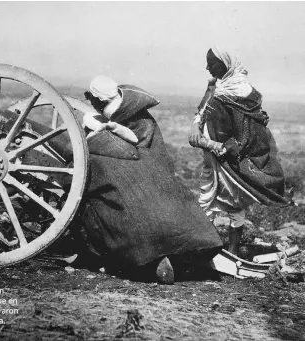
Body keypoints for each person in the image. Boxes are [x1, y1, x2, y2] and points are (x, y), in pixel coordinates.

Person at [66, 75, 223, 284]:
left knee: (104, 185)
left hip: (139, 158)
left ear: (99, 100)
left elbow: (133, 143)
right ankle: (178, 252)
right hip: (145, 160)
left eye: (93, 100)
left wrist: (106, 133)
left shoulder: (120, 113)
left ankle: (132, 255)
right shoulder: (126, 107)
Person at [188, 46, 292, 255]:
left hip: (229, 159)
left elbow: (246, 134)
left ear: (225, 65)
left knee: (234, 202)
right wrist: (196, 123)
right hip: (213, 158)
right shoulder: (218, 85)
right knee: (206, 200)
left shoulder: (241, 92)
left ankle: (232, 250)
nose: (207, 68)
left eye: (212, 63)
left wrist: (215, 146)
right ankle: (206, 247)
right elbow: (204, 107)